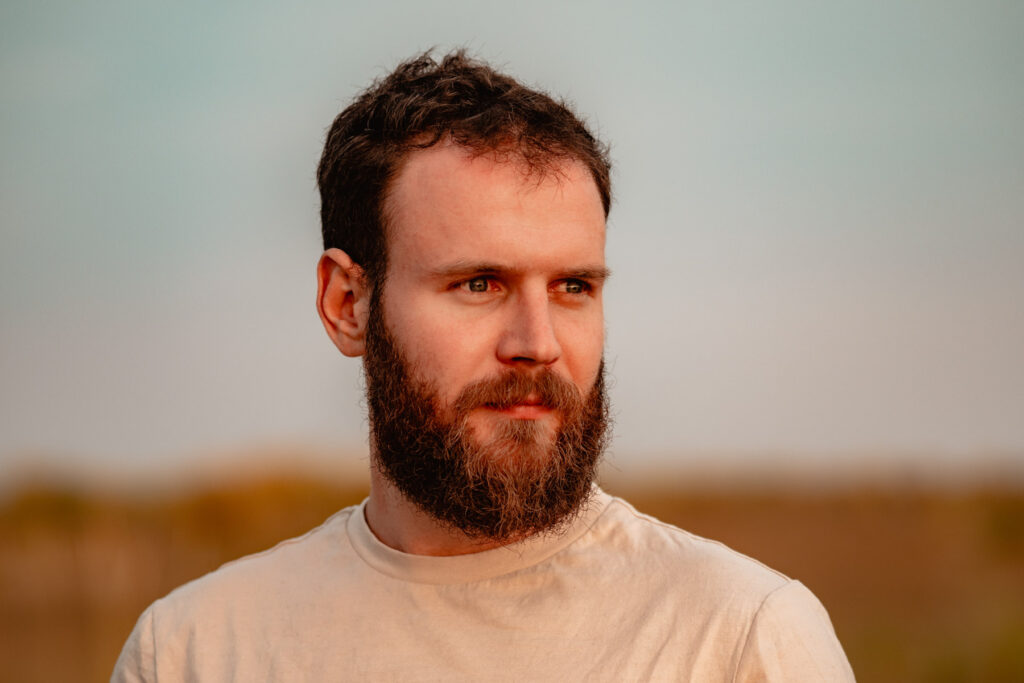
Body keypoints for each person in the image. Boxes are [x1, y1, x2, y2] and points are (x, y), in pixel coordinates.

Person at [112, 51, 854, 681]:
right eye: (479, 284)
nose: (537, 342)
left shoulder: (740, 641)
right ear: (346, 303)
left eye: (573, 287)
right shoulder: (197, 652)